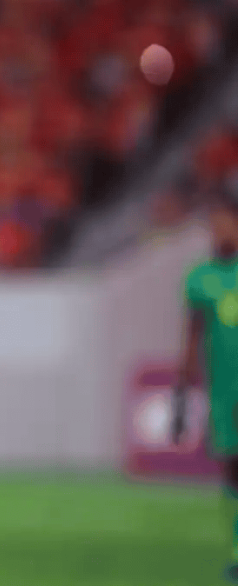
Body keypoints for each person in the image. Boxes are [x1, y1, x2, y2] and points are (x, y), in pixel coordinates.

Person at [173, 183, 238, 582]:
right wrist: (180, 399)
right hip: (225, 395)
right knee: (232, 474)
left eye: (225, 220)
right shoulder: (201, 278)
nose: (219, 228)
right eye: (214, 221)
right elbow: (191, 342)